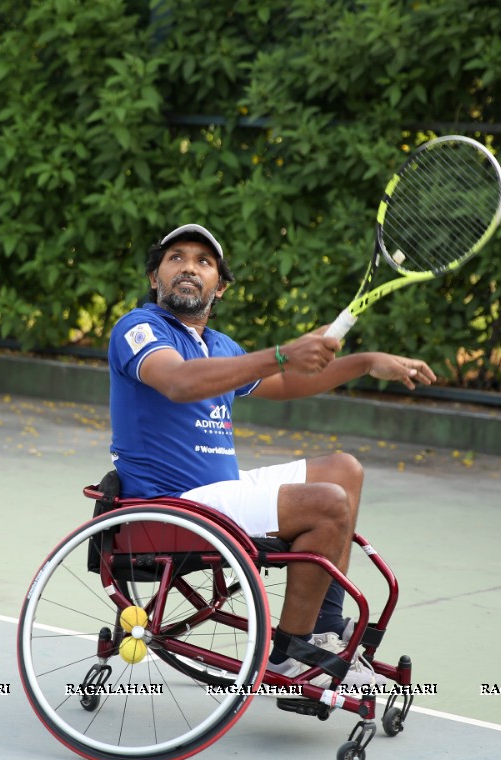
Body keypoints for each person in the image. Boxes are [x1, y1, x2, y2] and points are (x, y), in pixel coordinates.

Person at [107, 223, 436, 688]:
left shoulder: (220, 346)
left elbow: (288, 383)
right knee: (326, 505)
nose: (188, 267)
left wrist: (363, 362)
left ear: (218, 286)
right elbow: (180, 382)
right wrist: (282, 353)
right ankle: (290, 652)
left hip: (221, 494)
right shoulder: (138, 329)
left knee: (344, 471)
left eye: (204, 262)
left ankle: (320, 626)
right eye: (175, 257)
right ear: (154, 278)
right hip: (174, 505)